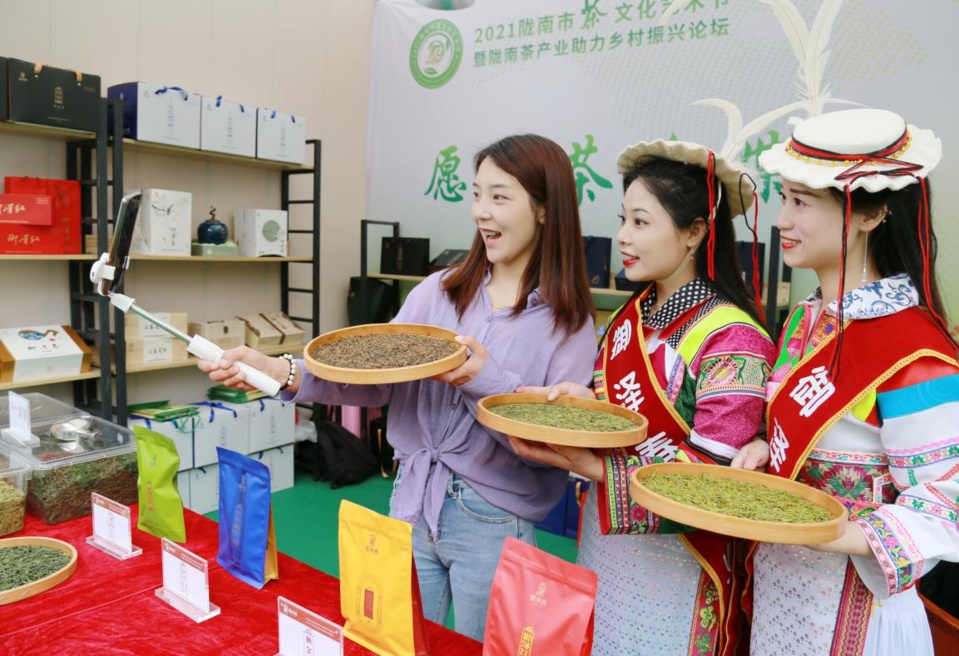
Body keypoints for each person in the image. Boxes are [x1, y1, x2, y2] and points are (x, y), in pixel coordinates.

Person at [199, 133, 599, 641]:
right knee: (399, 643)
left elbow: (549, 446)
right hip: (410, 499)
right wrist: (281, 370)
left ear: (545, 209)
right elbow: (374, 382)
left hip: (494, 519)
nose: (481, 211)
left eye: (500, 197)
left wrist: (485, 379)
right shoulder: (439, 291)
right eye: (477, 194)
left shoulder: (570, 323)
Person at [508, 139, 776, 656]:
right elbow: (617, 416)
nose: (623, 237)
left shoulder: (731, 339)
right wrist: (577, 402)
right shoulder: (631, 318)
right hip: (604, 541)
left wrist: (589, 467)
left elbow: (708, 485)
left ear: (695, 232)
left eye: (641, 222)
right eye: (622, 219)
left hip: (678, 565)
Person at [738, 107, 959, 656]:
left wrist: (838, 531)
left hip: (858, 613)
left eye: (802, 202)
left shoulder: (916, 353)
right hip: (782, 593)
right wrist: (768, 447)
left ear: (870, 213)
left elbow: (947, 502)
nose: (783, 220)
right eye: (784, 198)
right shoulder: (805, 319)